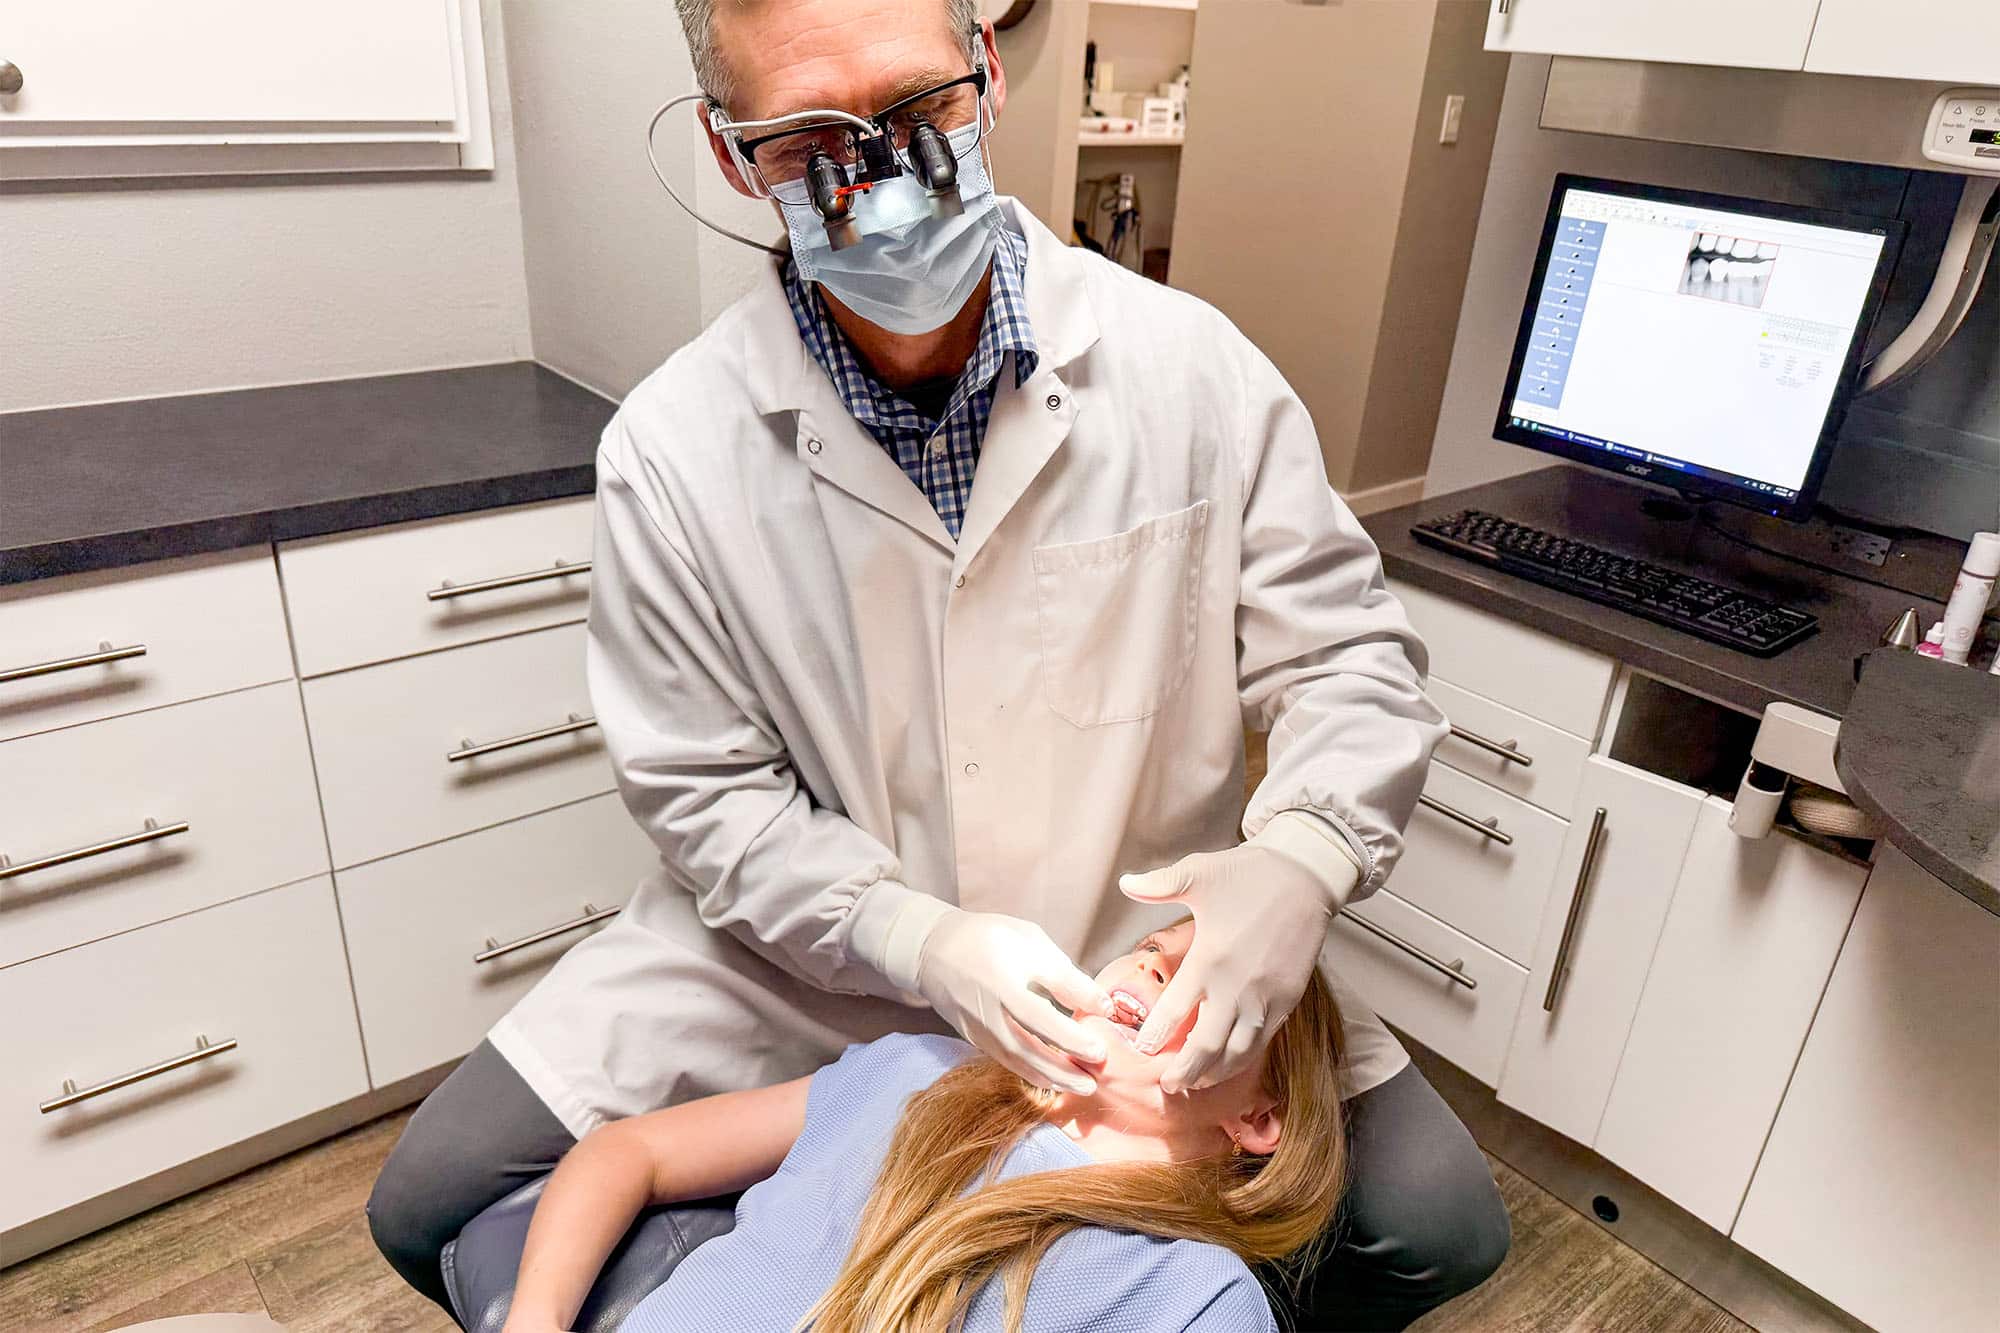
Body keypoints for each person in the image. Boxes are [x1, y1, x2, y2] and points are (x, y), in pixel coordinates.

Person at [370, 2, 1510, 1328]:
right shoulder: (675, 449)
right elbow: (703, 794)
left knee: (1439, 1221)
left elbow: (1352, 661)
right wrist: (920, 938)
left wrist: (1301, 863)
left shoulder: (1193, 373)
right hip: (811, 954)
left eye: (923, 113)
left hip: (1120, 947)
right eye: (809, 142)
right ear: (732, 156)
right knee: (428, 1199)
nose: (885, 178)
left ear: (989, 80)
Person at [500, 921, 1345, 1333]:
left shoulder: (1192, 1296)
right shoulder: (920, 1069)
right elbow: (631, 1150)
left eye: (1212, 981)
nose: (1157, 964)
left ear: (1260, 1117)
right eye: (1154, 946)